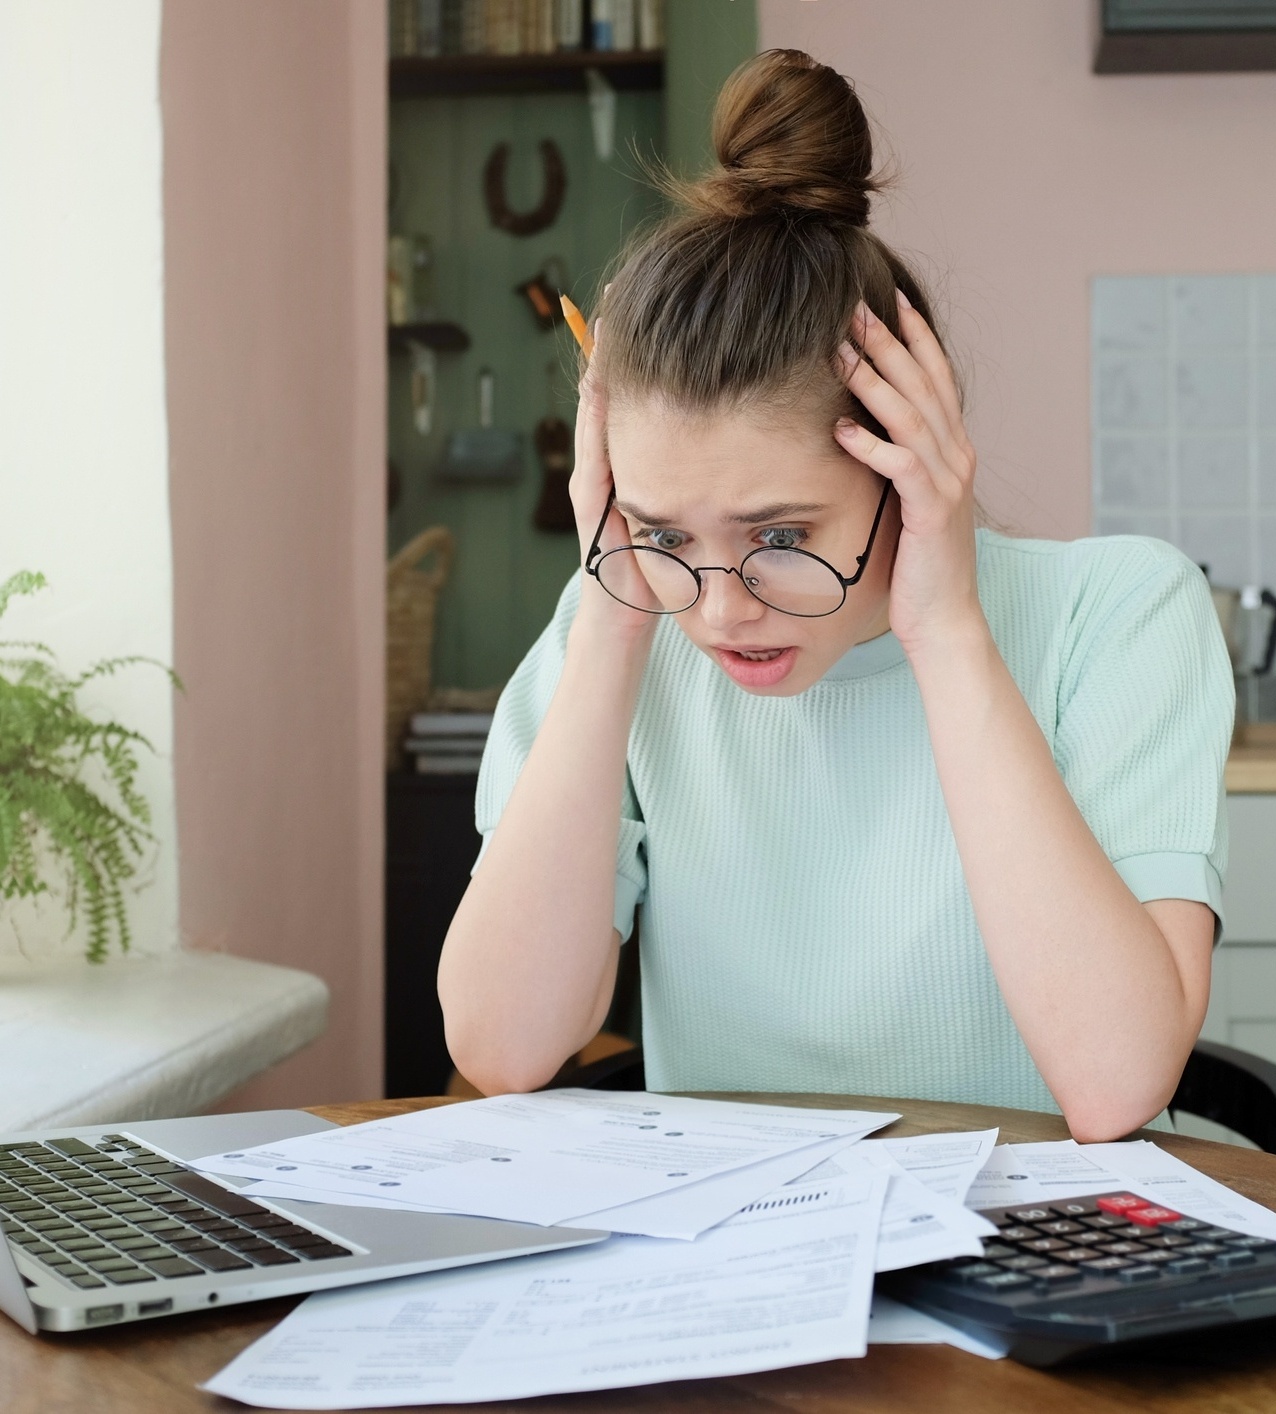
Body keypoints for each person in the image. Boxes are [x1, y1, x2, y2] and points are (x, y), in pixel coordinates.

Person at [438, 50, 1232, 1142]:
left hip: (1042, 1256)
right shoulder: (623, 619)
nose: (718, 611)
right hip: (749, 1257)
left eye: (778, 536)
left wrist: (945, 631)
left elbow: (1111, 1083)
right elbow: (500, 1045)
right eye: (667, 531)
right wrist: (616, 614)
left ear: (906, 462)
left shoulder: (1122, 612)